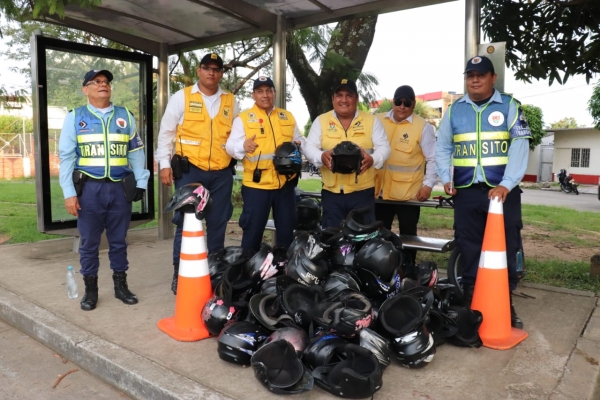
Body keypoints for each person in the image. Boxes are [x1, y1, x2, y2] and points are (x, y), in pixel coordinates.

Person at [435, 55, 532, 329]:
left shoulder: (511, 106)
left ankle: (505, 303)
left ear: (493, 78)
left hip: (503, 193)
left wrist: (507, 183)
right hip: (466, 193)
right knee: (469, 247)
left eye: (481, 74)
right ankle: (471, 302)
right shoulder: (455, 111)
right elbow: (443, 147)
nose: (475, 80)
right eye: (470, 75)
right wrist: (445, 177)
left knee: (507, 247)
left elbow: (520, 145)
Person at [59, 69, 150, 311]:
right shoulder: (75, 117)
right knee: (89, 242)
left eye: (106, 82)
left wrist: (141, 183)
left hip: (119, 189)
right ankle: (91, 290)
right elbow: (66, 157)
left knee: (119, 241)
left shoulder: (125, 116)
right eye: (96, 82)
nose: (103, 85)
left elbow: (136, 153)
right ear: (85, 89)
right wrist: (69, 192)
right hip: (89, 190)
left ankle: (121, 286)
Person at [156, 53, 239, 294]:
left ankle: (213, 274)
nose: (211, 72)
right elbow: (166, 133)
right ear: (199, 71)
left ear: (221, 73)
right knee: (186, 224)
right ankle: (178, 273)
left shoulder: (231, 101)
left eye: (216, 69)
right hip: (190, 171)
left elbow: (237, 136)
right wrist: (164, 164)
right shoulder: (181, 97)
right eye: (207, 68)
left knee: (218, 224)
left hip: (222, 173)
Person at [226, 76, 305, 253]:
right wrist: (243, 146)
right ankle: (247, 273)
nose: (265, 95)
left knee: (286, 235)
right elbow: (230, 146)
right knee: (252, 235)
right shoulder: (244, 119)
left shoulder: (287, 117)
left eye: (269, 90)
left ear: (274, 93)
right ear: (253, 95)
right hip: (256, 187)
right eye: (260, 91)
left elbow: (299, 140)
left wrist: (300, 145)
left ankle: (283, 274)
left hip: (285, 185)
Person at [304, 78, 390, 228]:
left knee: (362, 241)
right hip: (331, 194)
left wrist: (373, 159)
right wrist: (320, 156)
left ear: (356, 99)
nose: (344, 100)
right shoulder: (321, 121)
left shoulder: (371, 121)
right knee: (332, 238)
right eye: (339, 95)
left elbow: (385, 147)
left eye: (349, 95)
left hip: (362, 193)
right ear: (333, 99)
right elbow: (309, 147)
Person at [374, 85, 436, 264]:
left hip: (409, 195)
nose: (402, 106)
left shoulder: (423, 127)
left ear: (413, 104)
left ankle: (409, 271)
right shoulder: (377, 120)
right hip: (380, 193)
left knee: (408, 239)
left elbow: (433, 158)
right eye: (398, 102)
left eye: (407, 103)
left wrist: (428, 185)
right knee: (378, 238)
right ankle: (380, 270)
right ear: (393, 102)